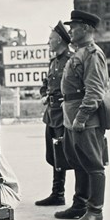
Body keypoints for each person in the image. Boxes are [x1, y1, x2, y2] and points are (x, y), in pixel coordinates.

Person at [54, 10, 109, 220]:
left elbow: (95, 91)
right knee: (78, 162)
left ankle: (95, 211)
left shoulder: (92, 54)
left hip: (85, 120)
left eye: (73, 26)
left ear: (85, 28)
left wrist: (81, 118)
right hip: (72, 117)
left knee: (93, 165)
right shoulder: (79, 52)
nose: (70, 31)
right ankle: (80, 205)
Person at [35, 21, 73, 206]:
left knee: (65, 154)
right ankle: (57, 193)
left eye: (50, 39)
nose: (48, 42)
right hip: (51, 115)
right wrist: (44, 95)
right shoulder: (53, 62)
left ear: (59, 40)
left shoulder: (71, 60)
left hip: (64, 115)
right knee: (53, 155)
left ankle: (63, 194)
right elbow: (46, 85)